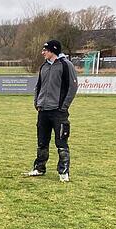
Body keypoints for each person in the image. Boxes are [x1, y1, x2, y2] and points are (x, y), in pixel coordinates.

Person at [25, 39, 78, 183]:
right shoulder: (43, 66)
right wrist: (37, 102)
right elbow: (38, 86)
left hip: (58, 111)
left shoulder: (66, 65)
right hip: (43, 110)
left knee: (61, 142)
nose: (42, 53)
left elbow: (72, 87)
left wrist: (64, 106)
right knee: (42, 141)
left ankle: (64, 171)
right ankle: (39, 168)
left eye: (45, 50)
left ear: (53, 51)